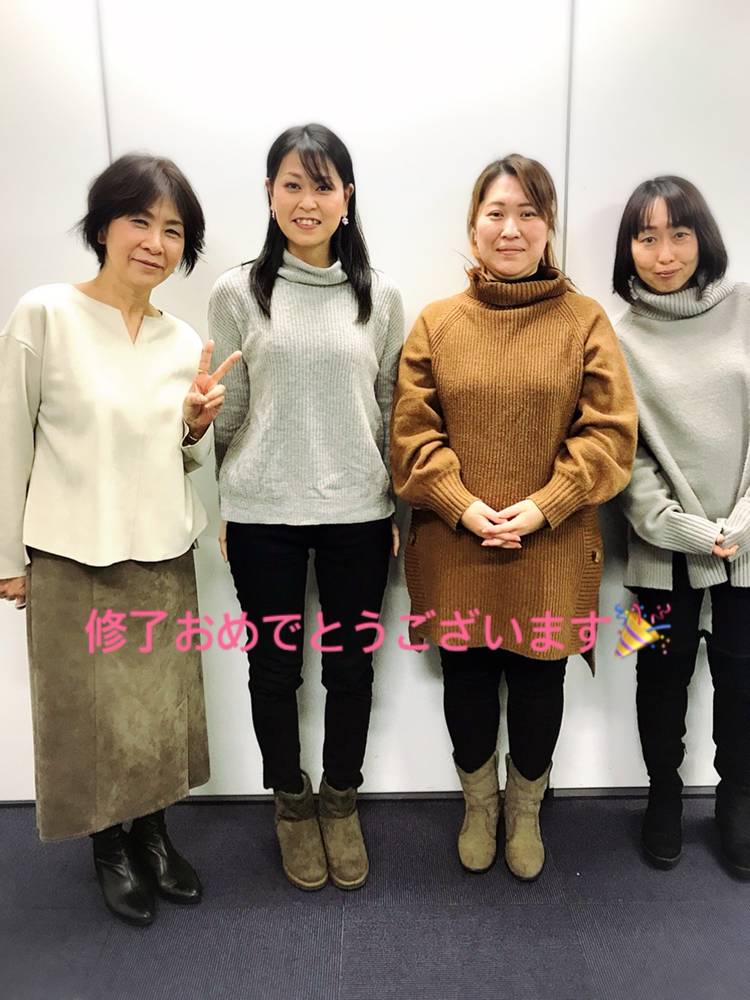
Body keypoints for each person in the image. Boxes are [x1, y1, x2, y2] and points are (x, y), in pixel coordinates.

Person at [0, 153, 241, 925]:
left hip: (160, 552)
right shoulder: (45, 315)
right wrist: (8, 558)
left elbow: (173, 453)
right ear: (102, 225)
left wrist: (194, 427)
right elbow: (8, 441)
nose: (155, 242)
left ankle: (154, 836)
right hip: (69, 554)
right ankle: (108, 847)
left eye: (173, 231)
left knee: (160, 713)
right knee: (86, 716)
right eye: (140, 220)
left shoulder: (181, 341)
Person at [390, 153, 637, 880]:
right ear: (473, 225)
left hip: (550, 546)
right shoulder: (436, 323)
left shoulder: (584, 321)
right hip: (456, 543)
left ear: (549, 226)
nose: (511, 228)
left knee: (538, 682)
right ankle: (480, 806)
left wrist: (542, 506)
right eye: (496, 212)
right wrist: (464, 507)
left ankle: (525, 810)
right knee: (466, 679)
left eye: (528, 213)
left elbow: (609, 435)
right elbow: (410, 434)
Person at [209, 123, 404, 892]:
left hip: (360, 512)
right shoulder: (236, 292)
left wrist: (395, 511)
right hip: (262, 515)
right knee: (274, 667)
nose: (307, 201)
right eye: (292, 184)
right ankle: (291, 803)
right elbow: (228, 411)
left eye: (323, 186)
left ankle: (341, 799)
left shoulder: (379, 294)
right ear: (269, 194)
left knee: (352, 668)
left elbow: (390, 410)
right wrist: (229, 501)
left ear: (346, 198)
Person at [613, 175, 750, 878]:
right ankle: (662, 793)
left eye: (679, 234)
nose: (664, 253)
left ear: (704, 238)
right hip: (656, 555)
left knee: (744, 682)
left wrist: (741, 525)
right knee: (658, 679)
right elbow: (622, 453)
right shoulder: (617, 337)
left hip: (749, 552)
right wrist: (686, 530)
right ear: (629, 248)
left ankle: (738, 799)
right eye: (647, 237)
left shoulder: (746, 308)